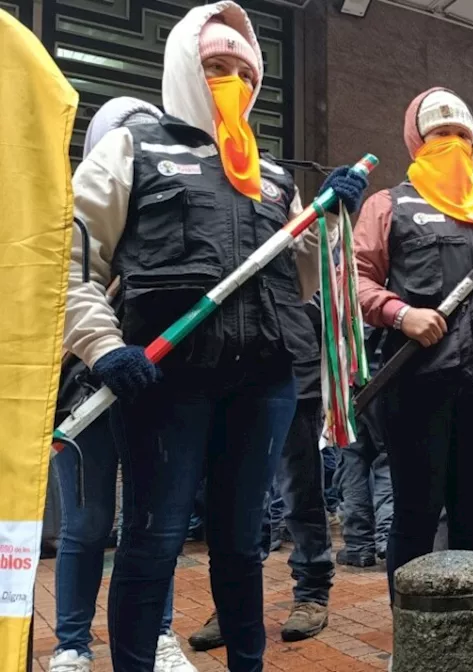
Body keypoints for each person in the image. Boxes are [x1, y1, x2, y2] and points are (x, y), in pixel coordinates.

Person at [63, 3, 369, 668]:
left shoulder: (271, 175)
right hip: (163, 384)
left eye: (243, 71)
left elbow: (300, 284)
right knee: (152, 542)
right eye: (214, 67)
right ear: (183, 67)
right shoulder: (130, 149)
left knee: (240, 546)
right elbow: (73, 263)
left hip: (263, 385)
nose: (231, 80)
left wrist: (330, 224)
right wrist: (104, 347)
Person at [353, 88, 473, 672]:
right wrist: (398, 312)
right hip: (416, 383)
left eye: (461, 134)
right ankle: (412, 639)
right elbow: (352, 279)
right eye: (438, 135)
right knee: (415, 511)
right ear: (415, 140)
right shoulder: (388, 205)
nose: (451, 144)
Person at [50, 97, 196, 672]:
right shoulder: (79, 215)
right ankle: (71, 644)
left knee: (153, 523)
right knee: (86, 526)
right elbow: (61, 293)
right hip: (82, 391)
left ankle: (158, 637)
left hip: (150, 388)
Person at [190, 291, 335, 651]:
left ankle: (312, 593)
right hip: (223, 373)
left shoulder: (296, 234)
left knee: (301, 492)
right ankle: (232, 604)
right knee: (235, 503)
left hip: (292, 369)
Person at [335, 327, 394, 567]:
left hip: (346, 379)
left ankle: (359, 545)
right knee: (388, 461)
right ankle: (387, 539)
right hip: (386, 376)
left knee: (351, 462)